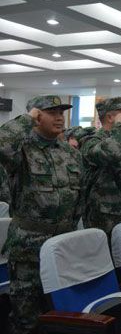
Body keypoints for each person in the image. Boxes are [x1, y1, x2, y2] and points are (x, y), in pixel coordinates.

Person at [0, 95, 82, 333]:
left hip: (62, 244)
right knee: (26, 315)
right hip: (29, 247)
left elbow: (80, 197)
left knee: (57, 311)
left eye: (61, 112)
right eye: (51, 112)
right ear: (36, 116)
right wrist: (27, 119)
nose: (59, 117)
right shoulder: (21, 150)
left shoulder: (70, 153)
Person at [80, 97, 121, 239]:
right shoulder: (91, 141)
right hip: (104, 219)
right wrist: (120, 128)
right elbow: (111, 152)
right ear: (110, 117)